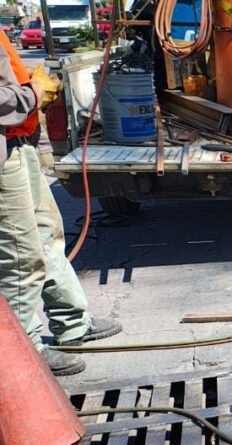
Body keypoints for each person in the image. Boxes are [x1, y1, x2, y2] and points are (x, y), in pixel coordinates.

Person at [0, 32, 120, 376]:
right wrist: (32, 94)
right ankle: (26, 354)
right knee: (20, 257)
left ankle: (73, 324)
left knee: (46, 235)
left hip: (18, 143)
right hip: (4, 150)